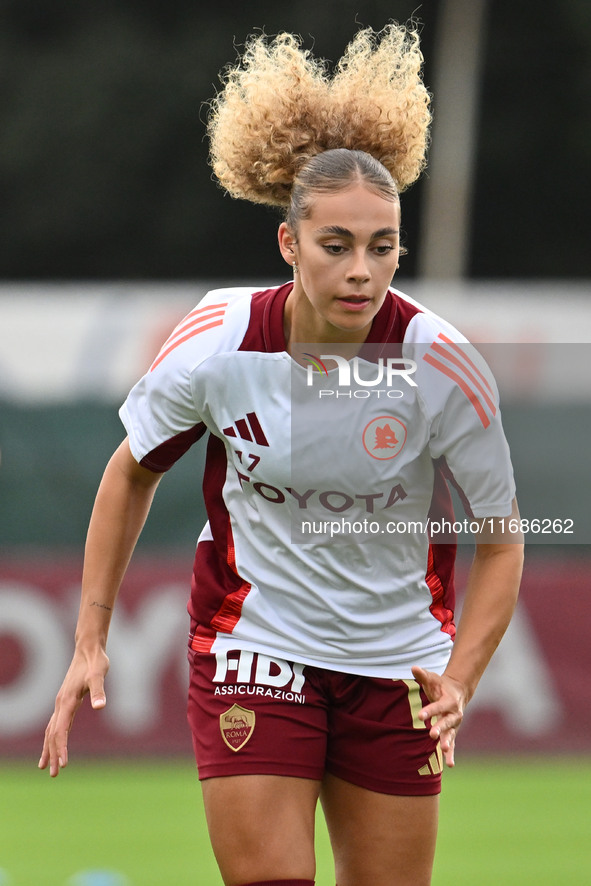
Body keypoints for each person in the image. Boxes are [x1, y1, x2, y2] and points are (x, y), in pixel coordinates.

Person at [40, 24, 524, 886]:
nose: (361, 272)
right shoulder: (216, 344)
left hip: (396, 665)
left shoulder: (442, 364)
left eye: (382, 247)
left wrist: (462, 677)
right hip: (253, 647)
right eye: (335, 245)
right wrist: (89, 637)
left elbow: (501, 537)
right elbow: (131, 472)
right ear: (289, 245)